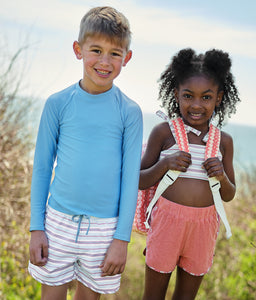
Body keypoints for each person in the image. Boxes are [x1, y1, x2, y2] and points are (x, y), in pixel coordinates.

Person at [28, 6, 143, 300]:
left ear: (126, 58)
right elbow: (42, 167)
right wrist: (36, 228)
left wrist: (121, 239)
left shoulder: (129, 112)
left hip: (105, 231)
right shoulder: (58, 104)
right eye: (96, 50)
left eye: (115, 53)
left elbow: (131, 180)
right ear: (78, 50)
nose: (105, 62)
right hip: (57, 224)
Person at [140, 48, 241, 300]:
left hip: (205, 226)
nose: (196, 105)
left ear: (218, 98)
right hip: (167, 220)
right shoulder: (164, 133)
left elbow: (229, 195)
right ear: (176, 95)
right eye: (188, 96)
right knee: (153, 295)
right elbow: (139, 181)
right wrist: (165, 165)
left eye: (206, 97)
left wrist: (221, 177)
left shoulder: (223, 142)